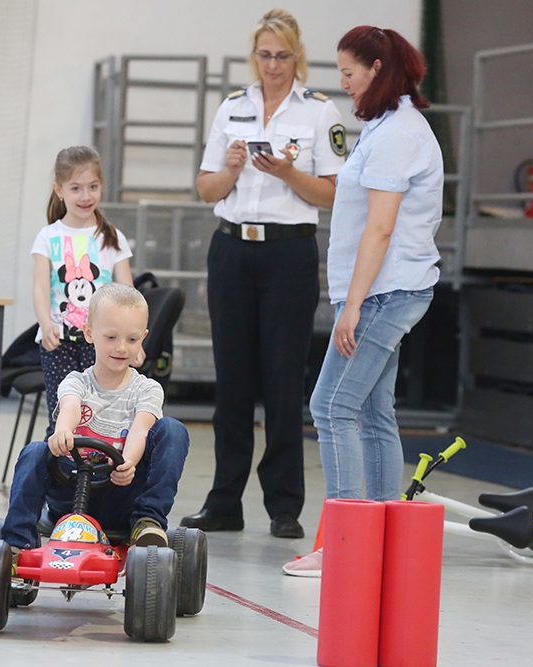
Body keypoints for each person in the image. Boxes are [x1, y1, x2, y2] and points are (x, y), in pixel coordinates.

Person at [283, 26, 444, 577]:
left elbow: (380, 227)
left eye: (349, 72)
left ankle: (348, 542)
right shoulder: (386, 125)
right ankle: (381, 539)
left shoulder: (399, 133)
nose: (344, 82)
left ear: (377, 68)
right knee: (373, 412)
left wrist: (352, 306)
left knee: (331, 406)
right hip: (385, 289)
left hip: (384, 292)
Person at [181, 8, 346, 539]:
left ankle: (284, 505)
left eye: (282, 56)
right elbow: (205, 189)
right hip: (232, 249)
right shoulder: (233, 107)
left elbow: (334, 194)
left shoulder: (320, 112)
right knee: (231, 379)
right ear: (254, 56)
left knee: (282, 378)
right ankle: (224, 501)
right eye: (265, 55)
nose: (273, 65)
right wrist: (231, 169)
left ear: (297, 57)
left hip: (288, 254)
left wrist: (288, 172)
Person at [2, 283, 190, 554]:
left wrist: (127, 463)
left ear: (143, 338)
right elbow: (69, 408)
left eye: (132, 340)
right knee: (35, 451)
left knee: (172, 429)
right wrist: (63, 431)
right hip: (70, 491)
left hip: (122, 492)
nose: (121, 347)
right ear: (89, 333)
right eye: (111, 337)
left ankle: (148, 520)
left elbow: (140, 429)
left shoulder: (147, 389)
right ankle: (17, 545)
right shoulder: (76, 382)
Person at [32, 146, 138, 437]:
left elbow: (128, 292)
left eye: (93, 186)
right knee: (63, 415)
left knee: (100, 416)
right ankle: (60, 464)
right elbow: (40, 286)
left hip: (103, 342)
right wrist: (46, 324)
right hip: (60, 342)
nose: (86, 196)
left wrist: (134, 339)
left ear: (102, 185)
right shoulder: (48, 236)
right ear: (59, 190)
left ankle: (98, 465)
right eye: (76, 188)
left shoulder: (112, 237)